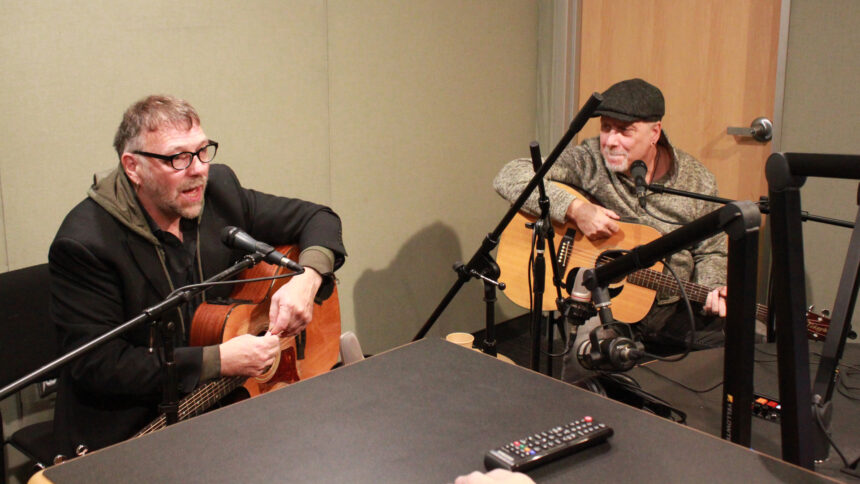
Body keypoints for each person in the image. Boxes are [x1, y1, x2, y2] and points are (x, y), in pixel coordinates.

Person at [49, 95, 346, 455]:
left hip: (225, 406)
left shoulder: (218, 191)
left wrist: (308, 278)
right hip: (132, 428)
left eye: (204, 151)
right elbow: (98, 366)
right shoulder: (86, 243)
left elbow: (318, 218)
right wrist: (219, 360)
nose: (198, 169)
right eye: (178, 158)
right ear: (133, 167)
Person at [493, 78, 727, 381]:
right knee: (587, 363)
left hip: (674, 306)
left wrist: (711, 286)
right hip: (603, 304)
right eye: (606, 128)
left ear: (655, 132)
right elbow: (510, 176)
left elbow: (712, 249)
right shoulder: (591, 159)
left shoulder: (698, 181)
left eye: (625, 131)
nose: (611, 141)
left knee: (739, 344)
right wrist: (576, 210)